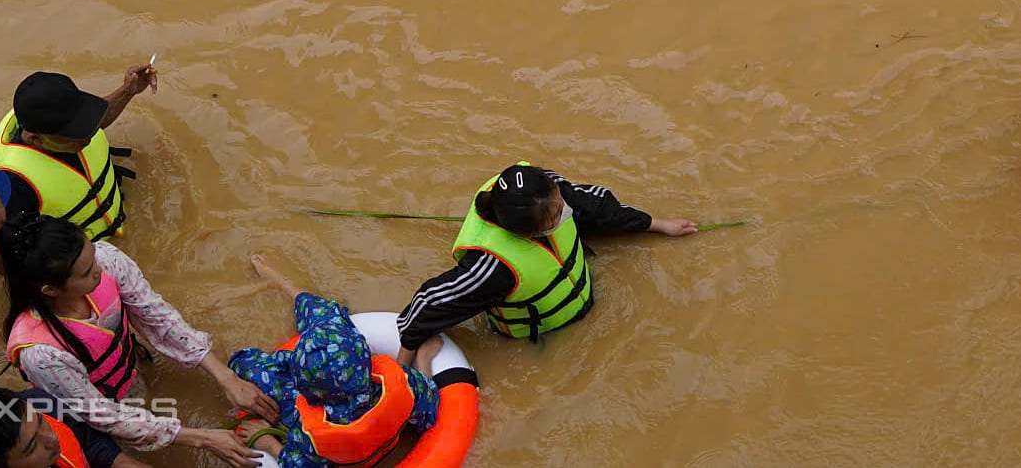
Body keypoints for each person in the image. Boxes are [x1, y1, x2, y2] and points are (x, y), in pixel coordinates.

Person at [0, 213, 272, 467]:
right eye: (87, 272)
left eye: (93, 257)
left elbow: (158, 318)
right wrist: (202, 438)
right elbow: (104, 416)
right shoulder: (42, 354)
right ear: (51, 290)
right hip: (92, 411)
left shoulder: (107, 259)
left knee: (148, 403)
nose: (99, 271)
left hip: (127, 371)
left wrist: (226, 377)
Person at [395, 162, 697, 354]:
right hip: (541, 338)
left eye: (559, 200)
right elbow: (430, 301)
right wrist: (407, 353)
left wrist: (658, 224)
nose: (564, 207)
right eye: (555, 214)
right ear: (529, 234)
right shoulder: (493, 268)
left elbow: (598, 206)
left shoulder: (549, 190)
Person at [226, 254, 440, 468]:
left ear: (306, 391)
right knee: (331, 320)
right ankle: (286, 287)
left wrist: (270, 444)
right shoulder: (404, 384)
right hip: (372, 413)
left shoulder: (312, 435)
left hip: (322, 407)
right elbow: (430, 409)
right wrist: (424, 362)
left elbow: (298, 465)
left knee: (245, 363)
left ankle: (281, 286)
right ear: (366, 358)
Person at [0, 66, 159, 263]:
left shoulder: (51, 118)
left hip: (117, 220)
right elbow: (9, 261)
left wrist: (127, 91)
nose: (87, 134)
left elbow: (100, 119)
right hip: (83, 261)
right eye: (74, 132)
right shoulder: (16, 186)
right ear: (35, 140)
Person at [0, 386, 146, 468]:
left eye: (41, 422)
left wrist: (126, 463)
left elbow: (90, 441)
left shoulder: (38, 403)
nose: (51, 438)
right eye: (31, 447)